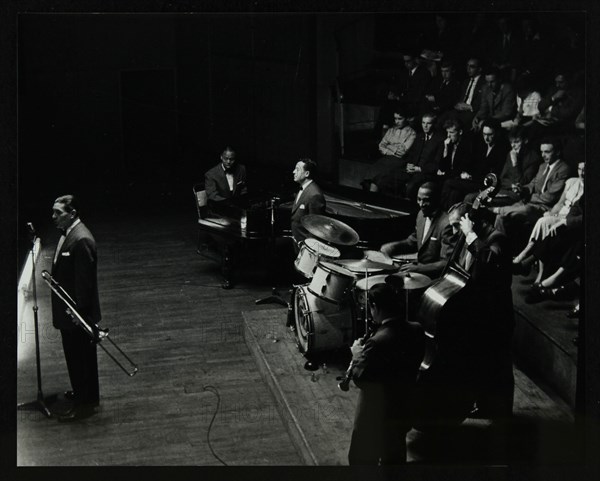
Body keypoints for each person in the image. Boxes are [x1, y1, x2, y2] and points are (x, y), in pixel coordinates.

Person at [415, 202, 514, 428]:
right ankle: (482, 404)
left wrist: (469, 235)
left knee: (499, 365)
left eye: (458, 226)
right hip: (476, 312)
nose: (454, 232)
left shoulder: (496, 239)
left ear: (470, 221)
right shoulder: (466, 238)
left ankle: (503, 417)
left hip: (495, 316)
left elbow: (487, 262)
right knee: (479, 364)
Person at [348, 283, 425, 465]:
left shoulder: (377, 342)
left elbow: (361, 379)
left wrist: (357, 354)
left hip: (375, 413)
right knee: (395, 460)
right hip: (402, 408)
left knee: (361, 460)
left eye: (370, 307)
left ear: (375, 306)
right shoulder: (416, 329)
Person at [50, 195, 101, 421]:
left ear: (72, 214)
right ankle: (86, 395)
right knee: (78, 357)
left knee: (79, 357)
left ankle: (83, 405)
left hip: (76, 314)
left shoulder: (81, 239)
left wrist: (78, 314)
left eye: (58, 213)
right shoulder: (69, 235)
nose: (53, 217)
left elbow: (85, 284)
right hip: (70, 311)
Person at [493, 137, 570, 249]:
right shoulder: (542, 166)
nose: (543, 155)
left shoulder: (564, 169)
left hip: (546, 208)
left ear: (557, 152)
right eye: (542, 152)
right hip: (532, 203)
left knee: (523, 209)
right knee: (500, 217)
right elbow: (532, 184)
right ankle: (500, 253)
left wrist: (530, 196)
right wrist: (522, 189)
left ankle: (499, 209)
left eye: (547, 152)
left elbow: (550, 197)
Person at [380, 182, 453, 278]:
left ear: (436, 200)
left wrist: (419, 269)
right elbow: (413, 241)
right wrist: (392, 247)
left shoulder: (446, 223)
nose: (421, 204)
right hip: (418, 269)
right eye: (419, 199)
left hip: (433, 276)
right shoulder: (420, 215)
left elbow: (446, 262)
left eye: (426, 200)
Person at [441, 118, 509, 209]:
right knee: (454, 193)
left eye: (490, 135)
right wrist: (467, 174)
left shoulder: (502, 149)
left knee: (448, 182)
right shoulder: (481, 146)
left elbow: (495, 174)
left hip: (486, 185)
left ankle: (442, 213)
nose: (486, 138)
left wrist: (473, 176)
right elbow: (473, 164)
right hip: (475, 181)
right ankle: (450, 216)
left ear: (497, 133)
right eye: (484, 134)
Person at [363, 106, 417, 195]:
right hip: (386, 159)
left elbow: (402, 153)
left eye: (400, 119)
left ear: (406, 118)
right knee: (369, 175)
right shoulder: (391, 130)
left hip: (399, 162)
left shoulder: (412, 133)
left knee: (380, 179)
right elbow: (381, 146)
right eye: (395, 118)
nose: (397, 121)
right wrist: (392, 150)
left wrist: (388, 145)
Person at [396, 113, 445, 200]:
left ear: (434, 124)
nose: (425, 126)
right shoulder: (419, 136)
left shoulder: (440, 140)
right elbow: (411, 155)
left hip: (426, 173)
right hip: (412, 170)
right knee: (388, 179)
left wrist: (419, 169)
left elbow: (437, 163)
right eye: (423, 123)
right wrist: (409, 165)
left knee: (411, 187)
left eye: (428, 123)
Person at [290, 158, 325, 245]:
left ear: (307, 173)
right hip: (298, 243)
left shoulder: (315, 194)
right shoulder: (303, 189)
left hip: (305, 246)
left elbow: (315, 227)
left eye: (297, 169)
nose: (293, 172)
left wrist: (307, 248)